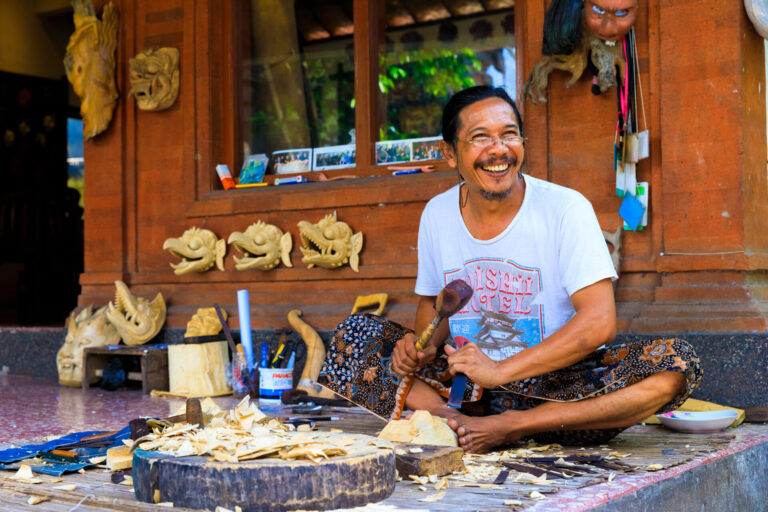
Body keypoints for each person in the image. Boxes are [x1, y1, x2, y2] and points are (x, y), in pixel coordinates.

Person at [319, 86, 701, 453]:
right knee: (350, 336)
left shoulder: (565, 209)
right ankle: (450, 422)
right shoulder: (437, 213)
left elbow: (599, 324)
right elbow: (434, 306)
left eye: (509, 135)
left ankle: (509, 428)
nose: (498, 150)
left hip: (556, 390)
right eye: (480, 137)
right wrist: (420, 347)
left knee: (678, 363)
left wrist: (501, 370)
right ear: (450, 153)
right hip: (464, 387)